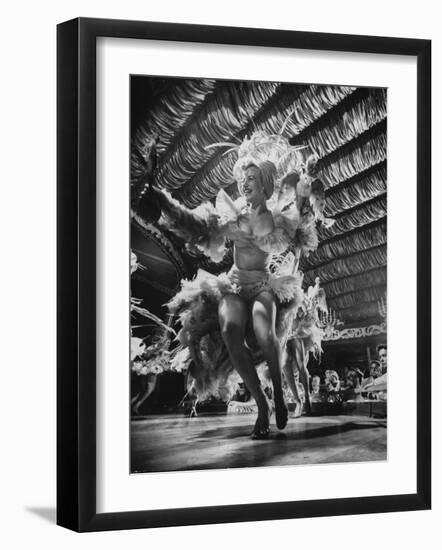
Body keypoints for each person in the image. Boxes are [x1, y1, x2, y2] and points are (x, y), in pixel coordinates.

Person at [137, 131, 330, 439]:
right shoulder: (231, 212)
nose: (245, 182)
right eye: (243, 177)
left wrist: (306, 188)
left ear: (265, 184)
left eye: (251, 177)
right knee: (230, 330)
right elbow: (194, 225)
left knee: (265, 328)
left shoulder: (279, 218)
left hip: (263, 286)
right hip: (234, 286)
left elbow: (304, 224)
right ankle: (263, 404)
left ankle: (279, 394)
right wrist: (158, 193)